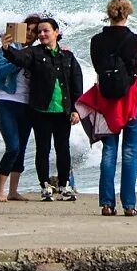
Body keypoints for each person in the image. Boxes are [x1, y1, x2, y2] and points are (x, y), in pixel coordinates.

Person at [89, 0, 137, 217]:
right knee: (130, 150)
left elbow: (97, 65)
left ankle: (106, 204)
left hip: (106, 100)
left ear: (109, 13)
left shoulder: (96, 40)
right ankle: (129, 205)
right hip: (132, 100)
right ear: (128, 13)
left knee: (109, 150)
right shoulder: (135, 40)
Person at [15, 16, 84, 200]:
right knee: (43, 149)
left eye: (46, 31)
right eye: (40, 32)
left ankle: (64, 186)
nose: (42, 34)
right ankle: (45, 186)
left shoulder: (68, 56)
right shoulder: (34, 53)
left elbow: (77, 85)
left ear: (56, 32)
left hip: (63, 112)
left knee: (63, 149)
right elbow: (18, 58)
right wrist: (6, 48)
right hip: (41, 111)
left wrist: (77, 110)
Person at [0, 15, 43, 202]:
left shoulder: (38, 53)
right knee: (12, 147)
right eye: (27, 29)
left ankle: (13, 191)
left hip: (27, 105)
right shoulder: (8, 49)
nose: (29, 34)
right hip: (6, 101)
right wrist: (17, 58)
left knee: (20, 148)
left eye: (34, 31)